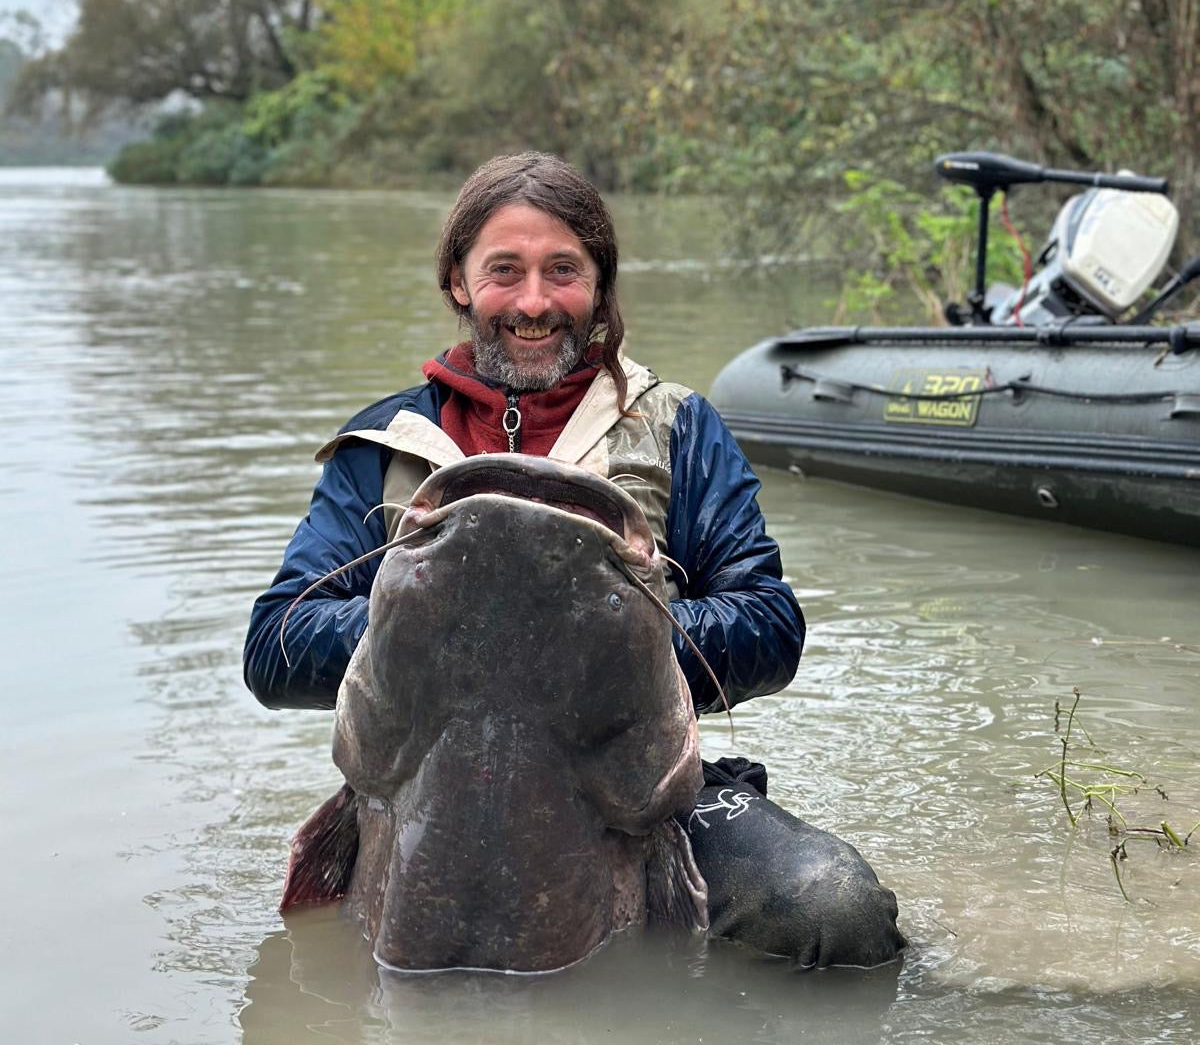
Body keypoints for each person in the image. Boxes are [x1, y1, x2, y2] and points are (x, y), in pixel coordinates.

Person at [245, 151, 904, 968]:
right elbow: (274, 647)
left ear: (599, 285)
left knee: (836, 916)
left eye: (563, 270)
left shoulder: (678, 428)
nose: (533, 302)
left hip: (634, 803)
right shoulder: (379, 447)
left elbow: (771, 626)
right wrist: (436, 626)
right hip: (419, 802)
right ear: (458, 282)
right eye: (504, 271)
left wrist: (603, 637)